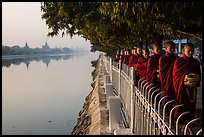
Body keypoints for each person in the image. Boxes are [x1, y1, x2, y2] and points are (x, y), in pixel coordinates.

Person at [172, 43, 201, 123]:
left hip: (192, 88)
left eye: (192, 51)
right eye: (188, 51)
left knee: (191, 105)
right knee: (182, 103)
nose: (191, 52)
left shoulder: (195, 62)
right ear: (184, 50)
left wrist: (196, 80)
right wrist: (184, 81)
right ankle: (180, 120)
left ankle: (190, 120)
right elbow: (175, 76)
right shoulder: (178, 61)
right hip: (182, 88)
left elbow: (198, 74)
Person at [158, 41, 178, 114]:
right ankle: (167, 113)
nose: (172, 50)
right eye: (170, 48)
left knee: (175, 98)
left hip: (175, 80)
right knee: (168, 98)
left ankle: (174, 113)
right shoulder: (163, 58)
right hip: (167, 81)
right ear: (166, 48)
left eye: (173, 48)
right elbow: (162, 72)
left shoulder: (176, 58)